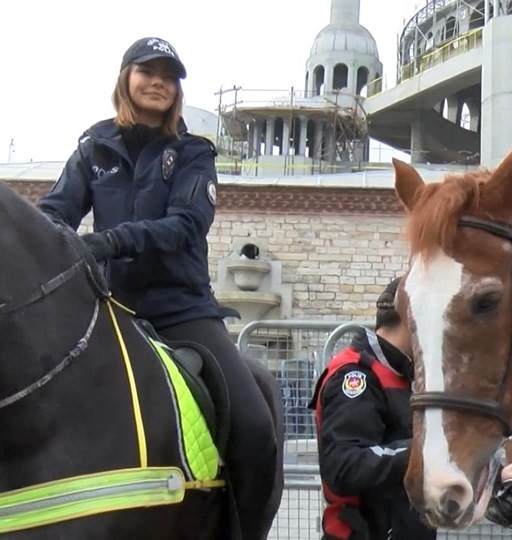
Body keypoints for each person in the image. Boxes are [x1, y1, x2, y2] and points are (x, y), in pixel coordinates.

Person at [36, 37, 278, 540]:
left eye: (169, 74)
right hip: (108, 311)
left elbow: (185, 225)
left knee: (257, 434)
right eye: (147, 70)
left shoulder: (193, 153)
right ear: (125, 79)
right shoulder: (93, 148)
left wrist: (105, 243)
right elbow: (55, 215)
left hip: (182, 312)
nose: (159, 81)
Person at [309, 277, 437, 540]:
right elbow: (342, 465)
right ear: (411, 317)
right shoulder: (357, 375)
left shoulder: (402, 375)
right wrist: (424, 452)